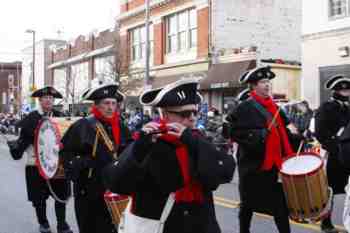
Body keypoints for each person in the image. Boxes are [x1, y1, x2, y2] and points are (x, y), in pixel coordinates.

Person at [103, 78, 235, 233]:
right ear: (165, 114)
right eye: (184, 113)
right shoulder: (148, 142)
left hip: (201, 224)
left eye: (195, 112)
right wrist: (139, 149)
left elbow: (226, 171)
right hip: (162, 225)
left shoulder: (198, 140)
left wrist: (192, 142)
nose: (192, 118)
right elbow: (116, 183)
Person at [227, 66, 299, 233]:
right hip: (253, 167)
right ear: (253, 86)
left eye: (268, 82)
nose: (267, 85)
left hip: (275, 166)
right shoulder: (244, 107)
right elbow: (231, 131)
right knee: (247, 205)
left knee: (279, 206)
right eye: (263, 82)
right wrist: (259, 135)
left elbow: (285, 134)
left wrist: (297, 137)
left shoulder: (276, 108)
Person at [60, 81, 132, 233]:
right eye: (106, 103)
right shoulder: (82, 126)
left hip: (112, 187)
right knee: (89, 227)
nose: (110, 107)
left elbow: (129, 152)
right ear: (97, 105)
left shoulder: (121, 126)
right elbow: (66, 153)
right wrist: (85, 163)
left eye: (113, 103)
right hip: (88, 188)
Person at [7, 86, 72, 233]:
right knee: (39, 199)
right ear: (40, 100)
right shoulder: (31, 119)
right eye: (45, 98)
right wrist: (15, 148)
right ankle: (43, 223)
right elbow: (22, 143)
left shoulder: (60, 117)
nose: (49, 100)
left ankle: (62, 224)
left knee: (60, 196)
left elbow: (68, 140)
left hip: (56, 164)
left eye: (51, 98)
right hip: (35, 165)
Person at [315, 74, 350, 233]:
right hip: (333, 155)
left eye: (348, 89)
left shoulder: (348, 107)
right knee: (329, 190)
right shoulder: (326, 108)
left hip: (348, 154)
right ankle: (326, 222)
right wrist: (335, 147)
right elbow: (320, 133)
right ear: (336, 90)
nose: (346, 92)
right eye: (343, 90)